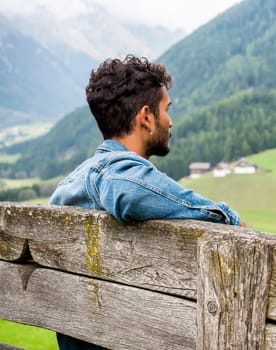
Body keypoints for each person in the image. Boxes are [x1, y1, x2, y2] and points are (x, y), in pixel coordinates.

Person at [49, 55, 244, 349]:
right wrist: (228, 218)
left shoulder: (73, 183)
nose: (170, 121)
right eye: (166, 110)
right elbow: (128, 191)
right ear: (146, 118)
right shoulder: (112, 174)